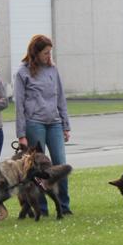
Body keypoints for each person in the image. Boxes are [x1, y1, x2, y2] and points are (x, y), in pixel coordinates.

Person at [15, 34, 72, 216]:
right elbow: (19, 105)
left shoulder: (52, 70)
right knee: (38, 168)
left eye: (50, 53)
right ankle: (41, 207)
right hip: (34, 123)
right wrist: (21, 133)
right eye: (45, 53)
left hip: (54, 122)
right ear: (36, 53)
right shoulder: (22, 72)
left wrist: (65, 124)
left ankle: (64, 205)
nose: (49, 56)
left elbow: (60, 97)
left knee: (60, 164)